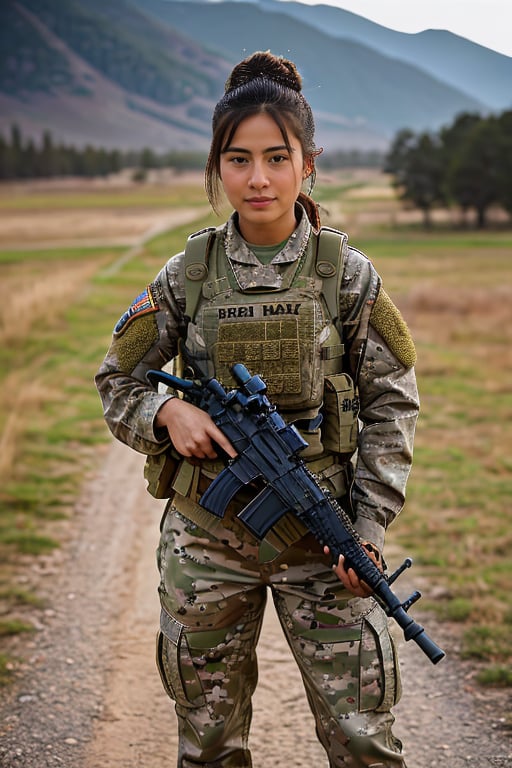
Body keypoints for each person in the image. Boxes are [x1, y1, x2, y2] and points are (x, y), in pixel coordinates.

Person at [96, 51, 419, 768]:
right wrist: (163, 416)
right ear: (217, 166)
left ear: (309, 164)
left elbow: (392, 405)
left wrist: (365, 529)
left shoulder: (348, 275)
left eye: (278, 157)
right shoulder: (185, 276)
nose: (259, 178)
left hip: (324, 542)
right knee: (208, 743)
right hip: (208, 539)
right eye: (238, 159)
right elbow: (116, 382)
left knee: (364, 740)